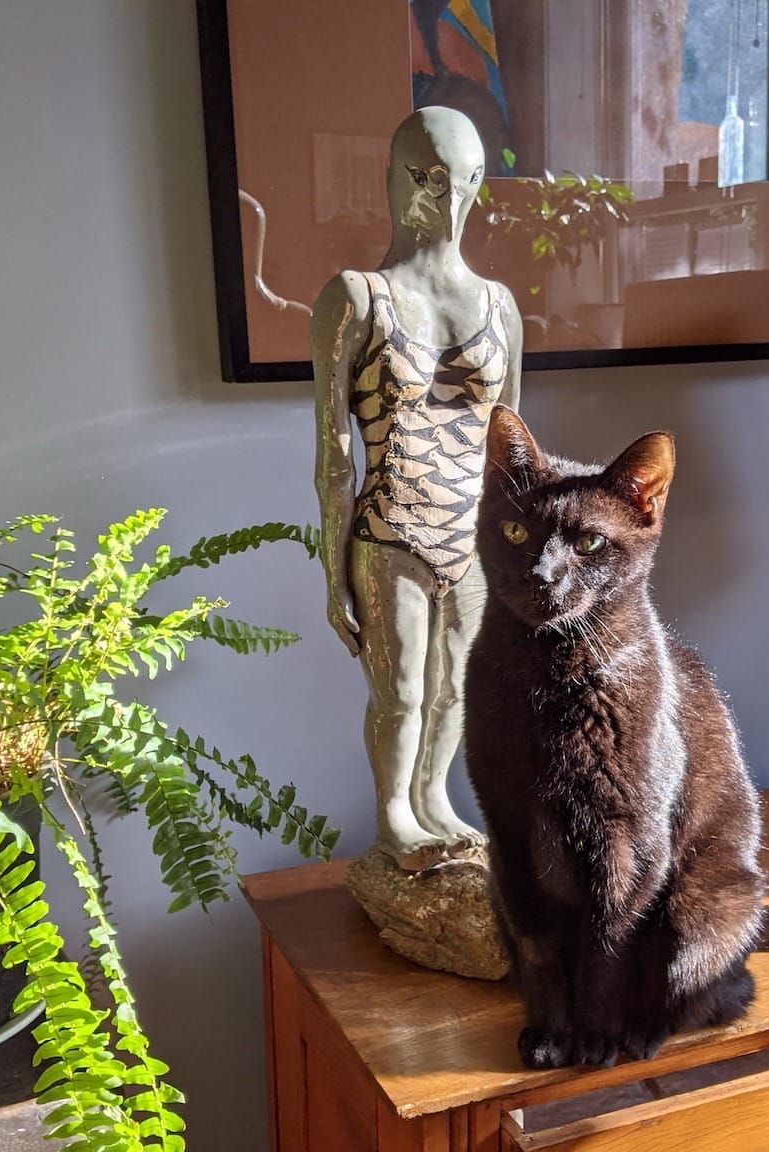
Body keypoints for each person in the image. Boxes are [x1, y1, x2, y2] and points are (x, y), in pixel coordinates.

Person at [313, 106, 523, 871]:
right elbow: (335, 451)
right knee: (399, 691)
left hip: (471, 538)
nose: (449, 195)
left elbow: (512, 445)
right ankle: (395, 812)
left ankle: (433, 799)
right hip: (390, 530)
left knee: (457, 689)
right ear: (396, 181)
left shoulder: (500, 306)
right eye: (429, 177)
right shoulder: (356, 298)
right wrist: (332, 568)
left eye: (465, 178)